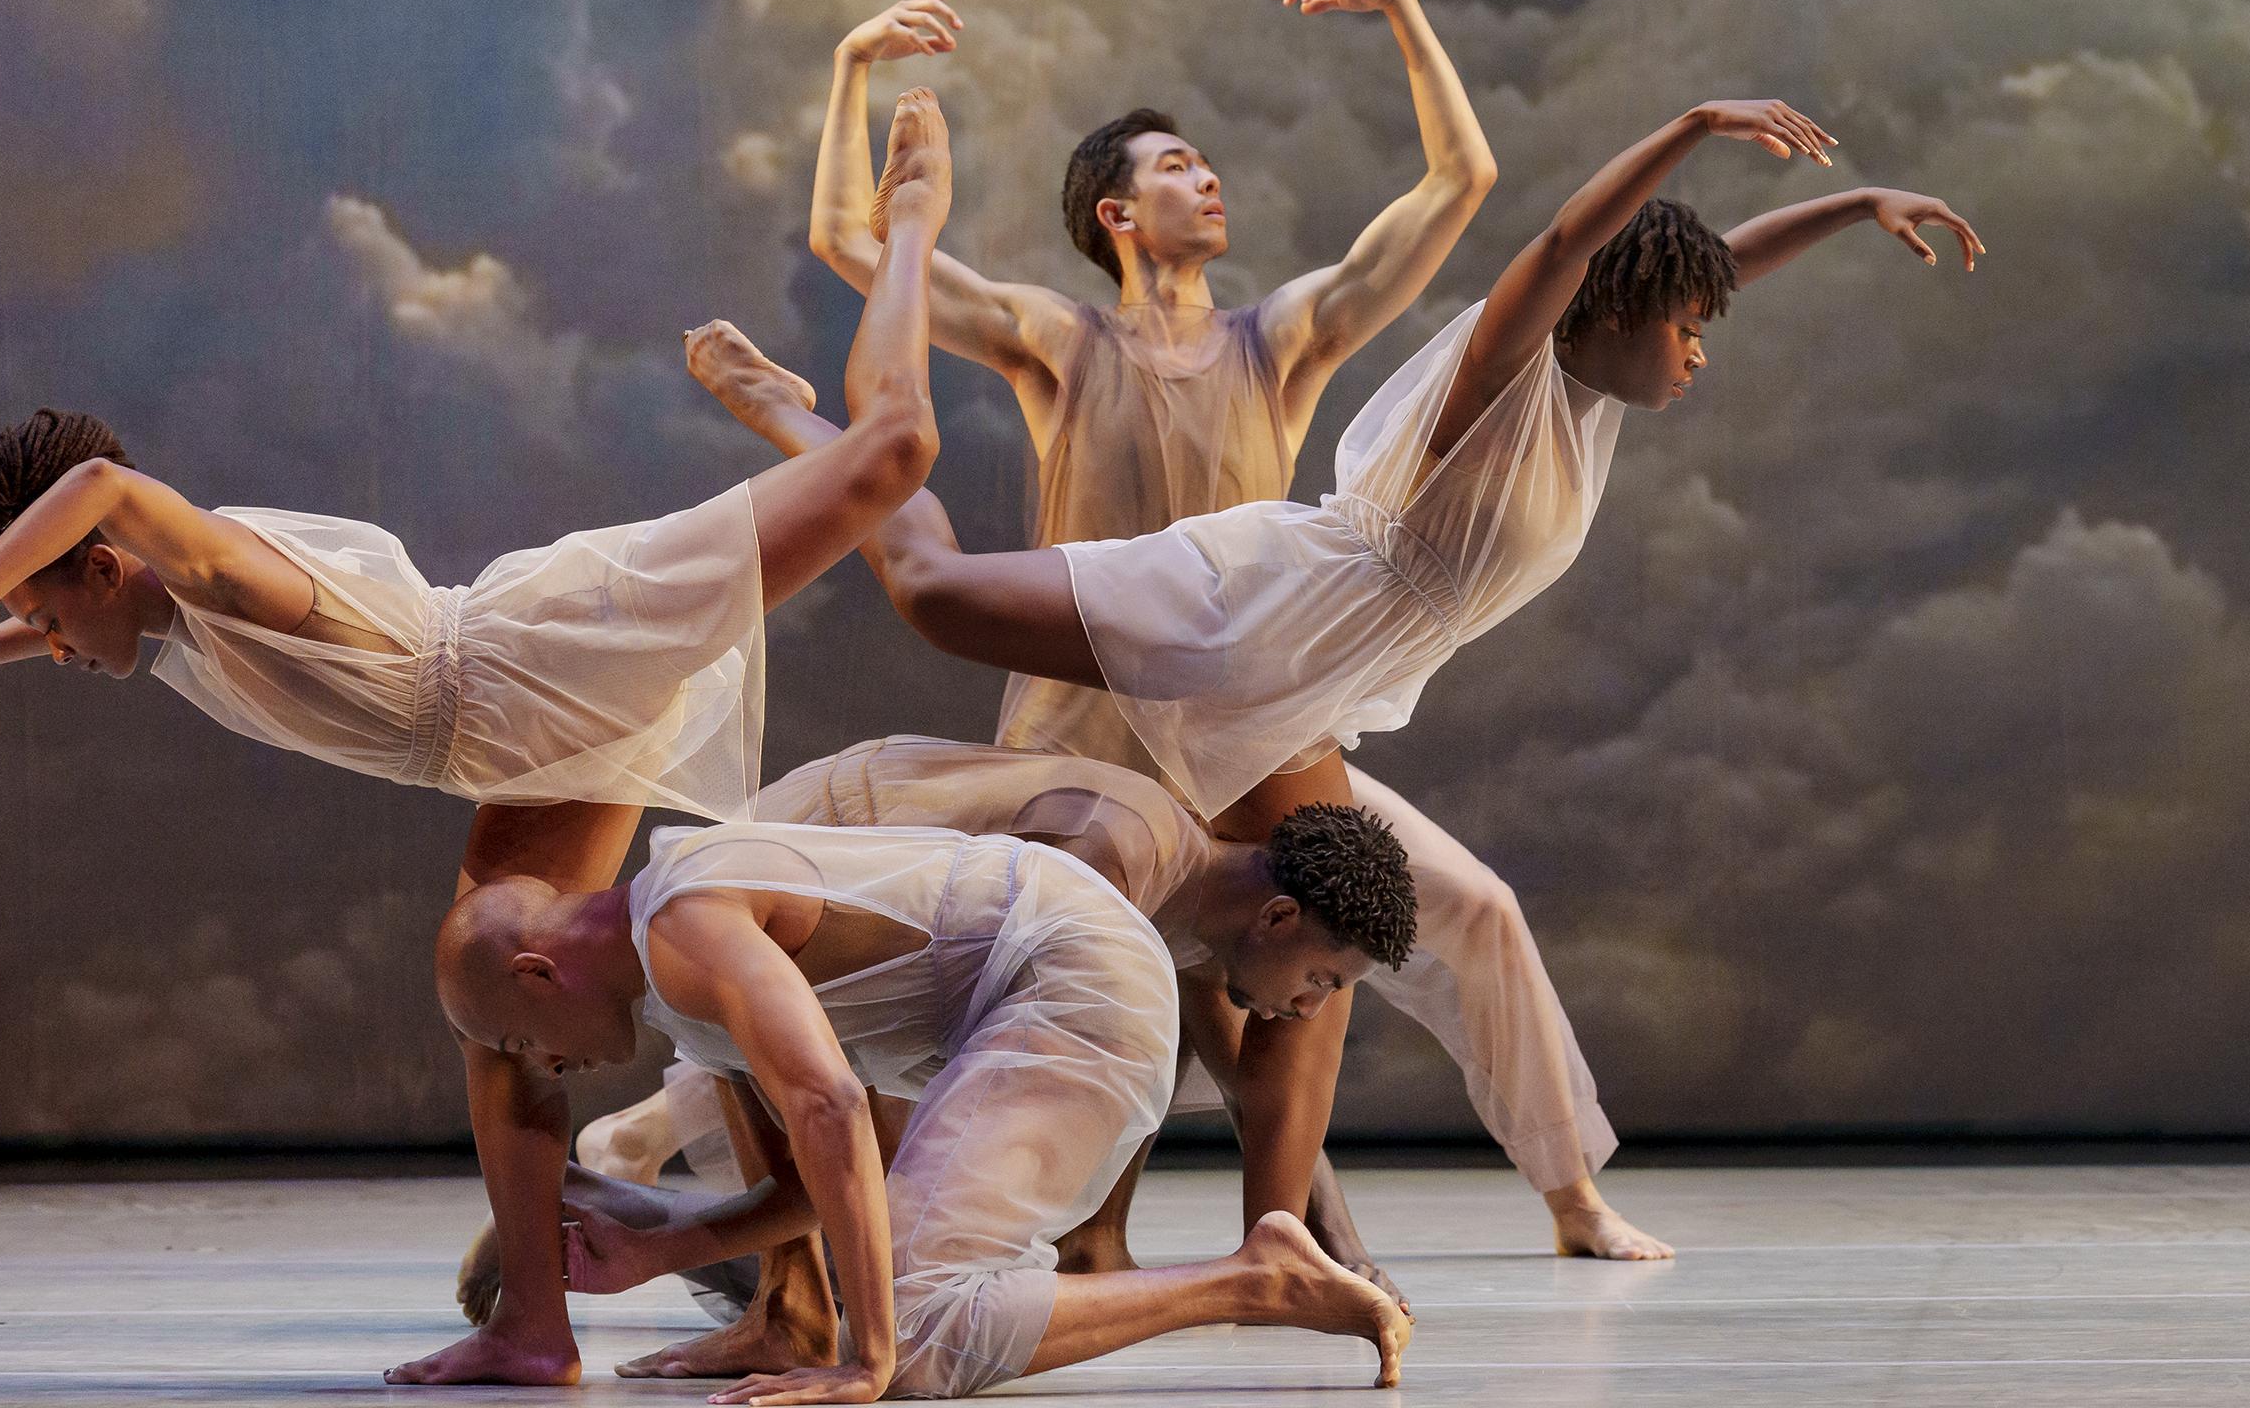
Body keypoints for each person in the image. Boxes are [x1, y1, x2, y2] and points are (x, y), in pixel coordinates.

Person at [780, 64, 1986, 1258]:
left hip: (1315, 680)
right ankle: (810, 430)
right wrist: (1692, 123)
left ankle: (1275, 1236)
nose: (1698, 350)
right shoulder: (1505, 372)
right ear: (1617, 314)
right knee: (935, 596)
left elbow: (1699, 263)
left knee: (1327, 933)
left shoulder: (1595, 398)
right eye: (1684, 327)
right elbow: (1572, 238)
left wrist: (1853, 204)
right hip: (1256, 607)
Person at [0, 94, 962, 1388]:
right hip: (512, 745)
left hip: (547, 650)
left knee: (897, 451)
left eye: (49, 614)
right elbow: (87, 595)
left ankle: (907, 230)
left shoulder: (225, 579)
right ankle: (538, 1327)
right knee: (498, 1012)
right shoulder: (155, 618)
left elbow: (107, 492)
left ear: (104, 569)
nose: (55, 643)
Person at [807, 0, 1656, 1260]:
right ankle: (1094, 1229)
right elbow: (859, 249)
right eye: (1178, 167)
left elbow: (1455, 191)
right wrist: (854, 71)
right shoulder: (1059, 339)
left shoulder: (1282, 339)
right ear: (1117, 212)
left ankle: (1537, 1195)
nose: (1208, 182)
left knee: (1438, 916)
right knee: (1085, 964)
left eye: (1207, 165)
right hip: (1090, 722)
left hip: (1255, 720)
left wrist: (1408, 14)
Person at [438, 822, 1411, 1400]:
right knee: (903, 1307)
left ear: (539, 971)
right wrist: (660, 1250)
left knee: (909, 1333)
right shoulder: (678, 986)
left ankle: (1253, 1279)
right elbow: (820, 1185)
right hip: (1049, 974)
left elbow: (829, 1109)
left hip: (1073, 970)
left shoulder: (683, 919)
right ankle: (1254, 1275)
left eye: (524, 1042)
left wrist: (866, 1356)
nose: (547, 1066)